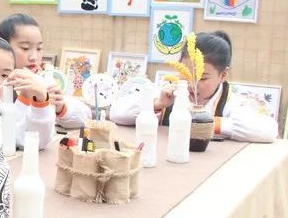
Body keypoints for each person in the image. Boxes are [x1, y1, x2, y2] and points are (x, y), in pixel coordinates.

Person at [110, 31, 277, 142]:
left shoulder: (231, 103)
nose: (192, 85)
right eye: (185, 75)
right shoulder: (170, 92)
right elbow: (116, 113)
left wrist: (208, 123)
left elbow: (269, 130)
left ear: (223, 75)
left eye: (202, 78)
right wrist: (156, 104)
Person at [0, 13, 92, 129]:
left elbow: (86, 116)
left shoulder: (41, 82)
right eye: (25, 48)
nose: (34, 57)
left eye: (39, 48)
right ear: (3, 45)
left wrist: (60, 108)